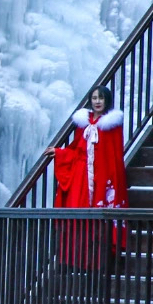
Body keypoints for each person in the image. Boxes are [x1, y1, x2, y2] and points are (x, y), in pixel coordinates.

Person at [43, 85, 128, 259]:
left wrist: (108, 176)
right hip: (82, 175)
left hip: (104, 175)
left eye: (101, 98)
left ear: (107, 100)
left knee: (101, 212)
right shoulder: (83, 123)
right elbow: (76, 149)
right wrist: (59, 152)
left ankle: (101, 256)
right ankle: (79, 256)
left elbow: (114, 155)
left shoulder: (112, 124)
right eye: (95, 98)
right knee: (78, 211)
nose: (97, 102)